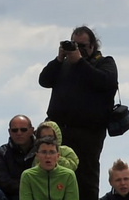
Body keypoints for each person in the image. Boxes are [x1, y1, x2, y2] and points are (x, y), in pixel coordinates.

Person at [39, 25, 119, 185]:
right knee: (55, 174)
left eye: (82, 46)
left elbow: (105, 82)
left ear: (92, 46)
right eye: (74, 44)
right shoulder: (63, 65)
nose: (78, 49)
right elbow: (44, 80)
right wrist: (59, 58)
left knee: (86, 176)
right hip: (60, 130)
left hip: (88, 132)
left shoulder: (104, 63)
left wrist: (80, 62)